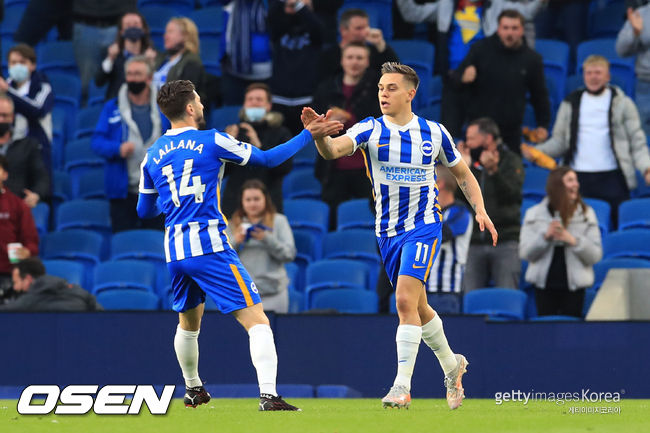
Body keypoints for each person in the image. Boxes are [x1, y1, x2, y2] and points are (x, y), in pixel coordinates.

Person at [300, 62, 498, 410]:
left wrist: (480, 208)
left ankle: (400, 387)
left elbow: (463, 174)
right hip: (387, 232)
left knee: (405, 301)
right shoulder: (369, 130)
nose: (383, 94)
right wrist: (319, 138)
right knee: (418, 307)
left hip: (423, 225)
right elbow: (333, 151)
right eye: (380, 88)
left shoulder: (434, 133)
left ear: (411, 93)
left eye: (391, 88)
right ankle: (453, 366)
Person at [136, 79, 342, 410]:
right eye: (199, 101)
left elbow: (144, 210)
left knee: (188, 325)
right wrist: (308, 135)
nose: (202, 105)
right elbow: (268, 160)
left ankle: (193, 389)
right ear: (189, 108)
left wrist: (174, 202)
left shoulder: (152, 156)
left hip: (175, 250)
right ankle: (269, 395)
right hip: (210, 245)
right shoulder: (212, 140)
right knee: (257, 321)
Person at [525, 55, 650, 228]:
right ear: (583, 75)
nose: (593, 77)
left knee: (612, 225)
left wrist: (646, 168)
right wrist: (537, 152)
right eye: (589, 73)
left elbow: (637, 141)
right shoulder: (570, 103)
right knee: (576, 227)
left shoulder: (623, 104)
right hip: (577, 177)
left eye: (598, 73)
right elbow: (560, 141)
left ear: (607, 76)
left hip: (614, 177)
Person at [395, 0, 546, 138]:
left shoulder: (497, 5)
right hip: (453, 80)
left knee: (482, 139)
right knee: (449, 141)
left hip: (486, 84)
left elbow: (527, 13)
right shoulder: (446, 5)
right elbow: (412, 13)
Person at [452, 9, 550, 153]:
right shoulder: (480, 50)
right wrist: (462, 76)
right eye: (505, 28)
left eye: (514, 28)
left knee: (509, 174)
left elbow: (539, 95)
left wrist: (543, 124)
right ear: (498, 29)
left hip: (511, 132)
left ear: (522, 30)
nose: (510, 33)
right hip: (479, 130)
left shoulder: (532, 59)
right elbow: (455, 81)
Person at [92, 56, 170, 233]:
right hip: (123, 193)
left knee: (157, 246)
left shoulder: (165, 107)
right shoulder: (112, 107)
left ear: (149, 78)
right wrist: (117, 149)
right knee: (123, 243)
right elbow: (96, 142)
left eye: (138, 74)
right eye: (129, 74)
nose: (133, 78)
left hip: (158, 192)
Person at [313, 41, 380, 229]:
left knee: (372, 221)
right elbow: (312, 124)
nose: (354, 62)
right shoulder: (327, 87)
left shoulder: (378, 89)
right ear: (342, 61)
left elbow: (384, 122)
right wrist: (327, 122)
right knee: (334, 221)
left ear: (367, 62)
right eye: (350, 57)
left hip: (367, 168)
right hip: (333, 167)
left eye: (360, 58)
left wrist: (350, 118)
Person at [519, 167, 602, 317]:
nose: (576, 184)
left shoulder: (587, 214)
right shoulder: (534, 214)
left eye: (576, 180)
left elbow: (595, 255)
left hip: (575, 287)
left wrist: (572, 240)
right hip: (543, 286)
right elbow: (525, 253)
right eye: (570, 180)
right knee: (544, 331)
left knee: (571, 333)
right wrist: (545, 237)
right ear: (557, 185)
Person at [459, 117, 523, 292]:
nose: (467, 143)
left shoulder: (511, 161)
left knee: (507, 296)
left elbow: (513, 196)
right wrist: (463, 171)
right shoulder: (469, 164)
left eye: (471, 138)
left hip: (505, 241)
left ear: (487, 139)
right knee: (471, 299)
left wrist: (494, 172)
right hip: (473, 242)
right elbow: (459, 200)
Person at [222, 83, 292, 217]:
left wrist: (260, 148)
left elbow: (285, 168)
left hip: (269, 205)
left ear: (268, 106)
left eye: (259, 99)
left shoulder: (281, 133)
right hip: (234, 207)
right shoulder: (233, 133)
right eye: (250, 99)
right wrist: (227, 146)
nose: (254, 103)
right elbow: (221, 171)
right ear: (244, 104)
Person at [226, 180, 296, 313]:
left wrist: (267, 239)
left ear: (265, 199)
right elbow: (223, 259)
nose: (252, 203)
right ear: (242, 201)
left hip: (274, 293)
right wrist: (236, 241)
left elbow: (289, 254)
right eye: (248, 199)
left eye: (256, 199)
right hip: (244, 294)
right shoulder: (231, 225)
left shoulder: (279, 221)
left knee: (276, 333)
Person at [268, 0, 324, 134]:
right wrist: (285, 4)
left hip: (306, 98)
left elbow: (317, 28)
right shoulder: (278, 29)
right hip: (279, 97)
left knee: (305, 144)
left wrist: (299, 6)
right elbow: (272, 17)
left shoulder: (315, 32)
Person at [0, 43, 54, 171]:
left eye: (22, 62)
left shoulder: (43, 86)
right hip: (9, 148)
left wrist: (8, 92)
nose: (17, 66)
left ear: (32, 65)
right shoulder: (6, 86)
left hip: (37, 148)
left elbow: (37, 110)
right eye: (13, 62)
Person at [426, 166, 473, 294]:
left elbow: (440, 235)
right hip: (421, 291)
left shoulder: (460, 213)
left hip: (446, 291)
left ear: (439, 184)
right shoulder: (426, 213)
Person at [319, 8, 399, 81]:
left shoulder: (376, 52)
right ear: (343, 30)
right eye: (359, 28)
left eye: (366, 27)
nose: (365, 32)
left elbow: (396, 75)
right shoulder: (329, 56)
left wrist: (380, 44)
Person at [0, 94, 50, 208]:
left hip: (16, 206)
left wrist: (36, 195)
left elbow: (42, 177)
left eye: (4, 116)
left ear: (12, 117)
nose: (0, 120)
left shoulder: (28, 145)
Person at [95, 11, 157, 101]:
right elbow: (99, 82)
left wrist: (151, 64)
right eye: (128, 25)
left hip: (145, 105)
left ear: (143, 29)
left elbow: (158, 84)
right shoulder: (114, 57)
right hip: (117, 104)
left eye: (136, 24)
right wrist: (110, 58)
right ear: (121, 31)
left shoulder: (152, 55)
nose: (132, 27)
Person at [0, 258, 102, 312]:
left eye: (16, 282)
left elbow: (6, 312)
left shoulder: (31, 299)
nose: (14, 287)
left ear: (28, 279)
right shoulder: (78, 291)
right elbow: (103, 316)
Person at [220, 0, 272, 105]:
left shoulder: (270, 5)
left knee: (261, 114)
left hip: (266, 73)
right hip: (234, 70)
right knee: (233, 113)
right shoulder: (231, 4)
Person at [0, 155, 39, 289]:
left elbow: (31, 243)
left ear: (5, 175)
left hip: (9, 275)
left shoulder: (18, 205)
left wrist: (27, 251)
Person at [616, 3, 650, 140]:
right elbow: (621, 50)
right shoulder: (641, 14)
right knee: (643, 139)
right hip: (646, 85)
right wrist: (635, 34)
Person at [153, 17, 206, 100]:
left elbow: (185, 98)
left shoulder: (192, 63)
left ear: (185, 36)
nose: (165, 36)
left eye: (170, 32)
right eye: (166, 32)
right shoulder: (162, 59)